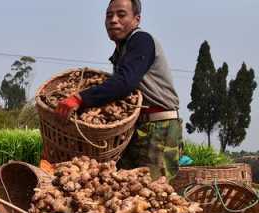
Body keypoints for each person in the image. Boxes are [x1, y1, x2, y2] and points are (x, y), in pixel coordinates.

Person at [55, 0, 182, 181]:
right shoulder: (122, 48)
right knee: (121, 187)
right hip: (138, 127)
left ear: (136, 19)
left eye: (121, 15)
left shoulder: (141, 40)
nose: (113, 20)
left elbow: (124, 83)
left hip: (160, 129)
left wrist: (79, 98)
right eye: (109, 15)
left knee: (155, 191)